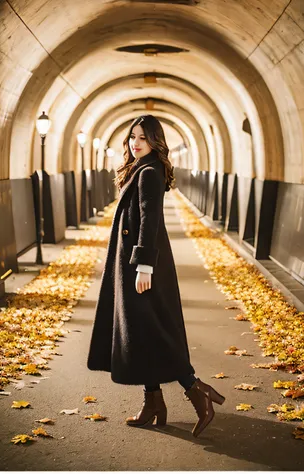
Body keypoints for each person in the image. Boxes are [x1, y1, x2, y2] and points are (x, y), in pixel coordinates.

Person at [87, 114, 225, 437]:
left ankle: (197, 392)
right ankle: (153, 402)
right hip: (136, 265)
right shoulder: (142, 168)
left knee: (155, 331)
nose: (136, 143)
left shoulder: (149, 172)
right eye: (132, 137)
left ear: (155, 142)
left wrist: (144, 266)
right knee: (142, 333)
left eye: (143, 138)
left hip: (143, 268)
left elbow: (150, 220)